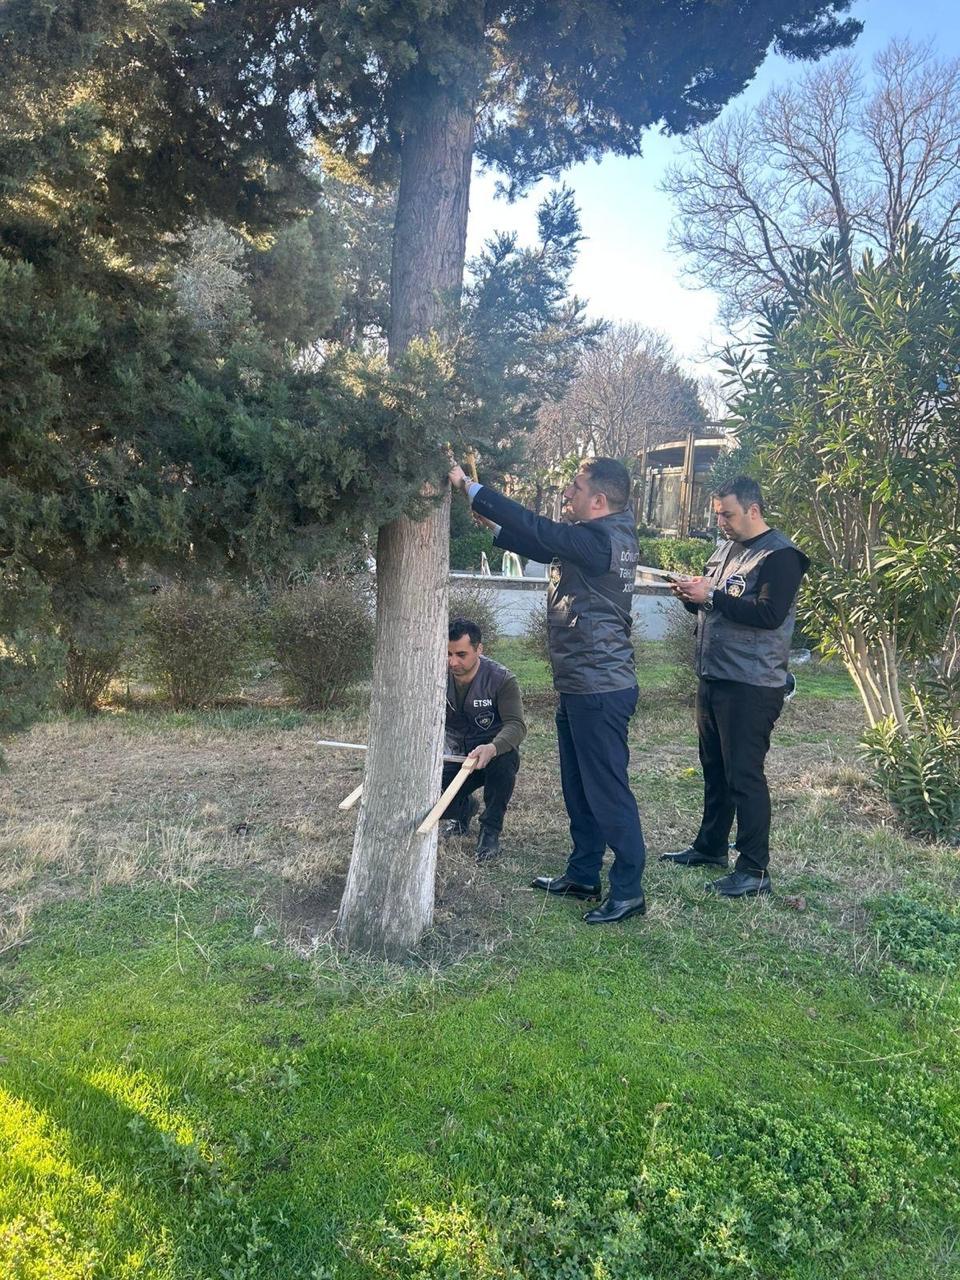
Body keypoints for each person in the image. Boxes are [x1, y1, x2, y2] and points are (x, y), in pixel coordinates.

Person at [448, 456, 647, 924]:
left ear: (598, 500)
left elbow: (543, 530)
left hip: (600, 688)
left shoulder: (602, 538)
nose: (566, 495)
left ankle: (629, 890)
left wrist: (472, 488)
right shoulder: (599, 536)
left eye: (574, 488)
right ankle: (582, 874)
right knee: (579, 786)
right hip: (582, 685)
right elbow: (542, 544)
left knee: (608, 790)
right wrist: (496, 526)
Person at [662, 476, 810, 897]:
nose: (721, 522)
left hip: (752, 683)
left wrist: (709, 596)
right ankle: (710, 847)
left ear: (753, 510)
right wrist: (691, 596)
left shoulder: (781, 555)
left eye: (727, 514)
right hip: (715, 673)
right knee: (715, 768)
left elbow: (768, 615)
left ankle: (754, 870)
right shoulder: (726, 549)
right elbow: (720, 606)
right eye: (717, 515)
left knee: (744, 775)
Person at [443, 617, 527, 863]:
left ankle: (490, 831)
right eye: (447, 654)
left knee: (505, 763)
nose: (452, 662)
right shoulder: (433, 674)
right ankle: (464, 808)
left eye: (461, 654)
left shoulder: (502, 679)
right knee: (433, 802)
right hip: (454, 754)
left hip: (492, 755)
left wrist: (493, 747)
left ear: (479, 649)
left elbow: (516, 725)